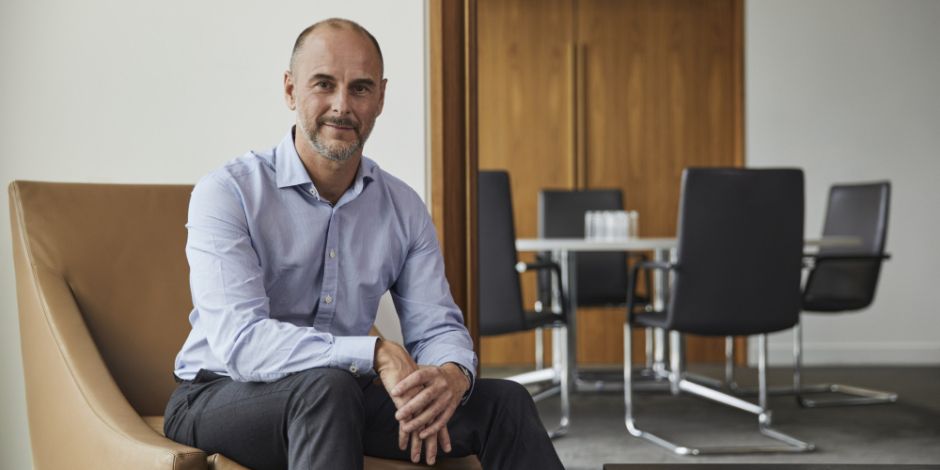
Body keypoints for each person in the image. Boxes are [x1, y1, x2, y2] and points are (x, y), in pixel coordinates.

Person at [163, 17, 565, 470]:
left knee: (505, 404)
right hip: (218, 392)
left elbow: (435, 325)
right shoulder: (228, 192)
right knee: (328, 388)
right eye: (324, 84)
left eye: (360, 88)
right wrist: (373, 352)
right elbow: (242, 342)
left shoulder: (402, 207)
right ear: (291, 90)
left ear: (380, 98)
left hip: (341, 397)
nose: (342, 106)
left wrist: (451, 374)